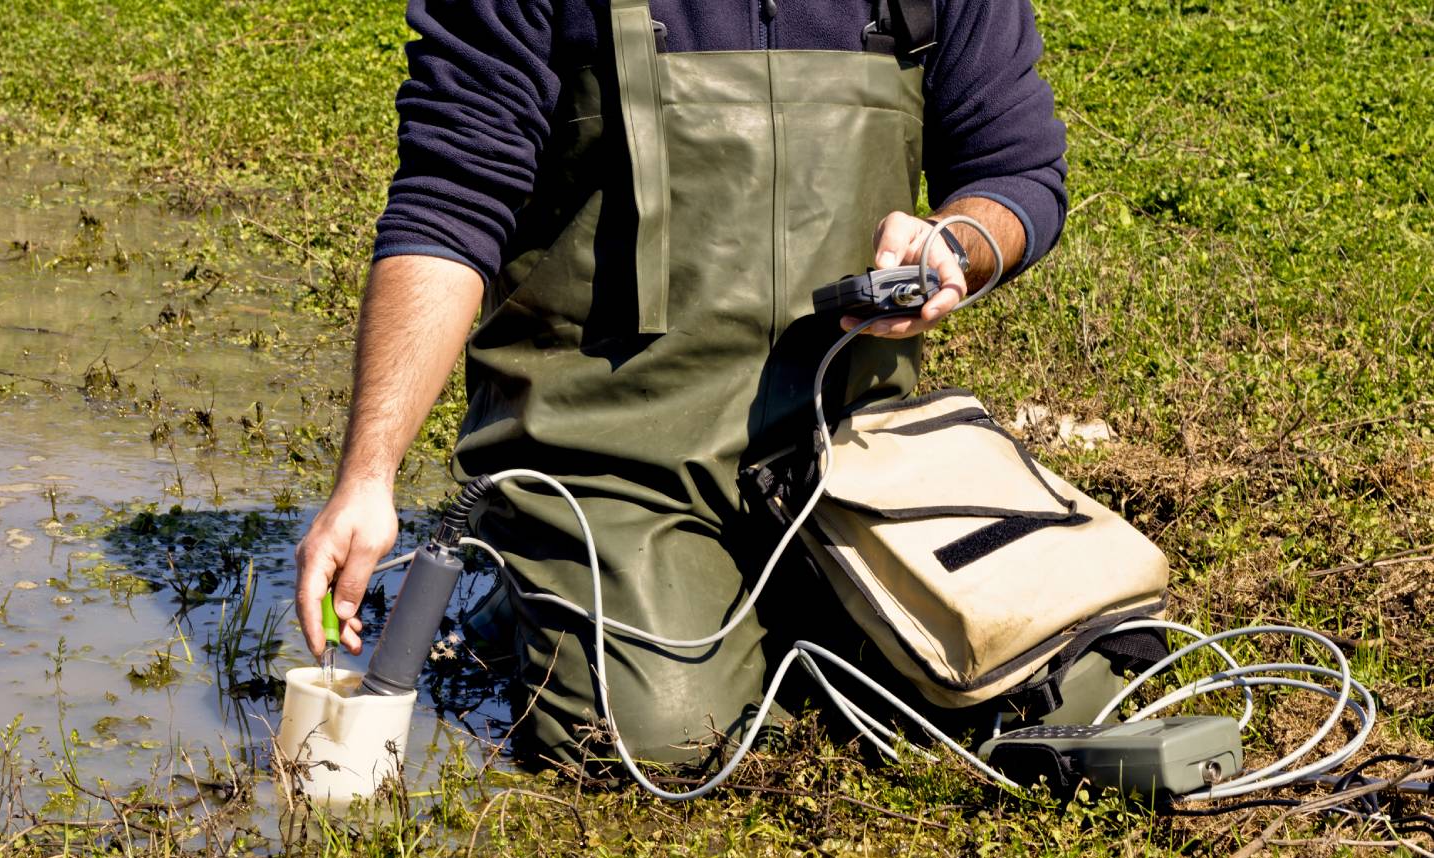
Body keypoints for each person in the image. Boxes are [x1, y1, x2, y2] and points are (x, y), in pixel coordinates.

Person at [295, 0, 1069, 768]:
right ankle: (533, 585)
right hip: (606, 457)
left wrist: (960, 245)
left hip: (851, 456)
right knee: (657, 739)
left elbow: (1016, 169)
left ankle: (762, 601)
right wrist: (368, 475)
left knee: (1058, 676)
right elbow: (450, 204)